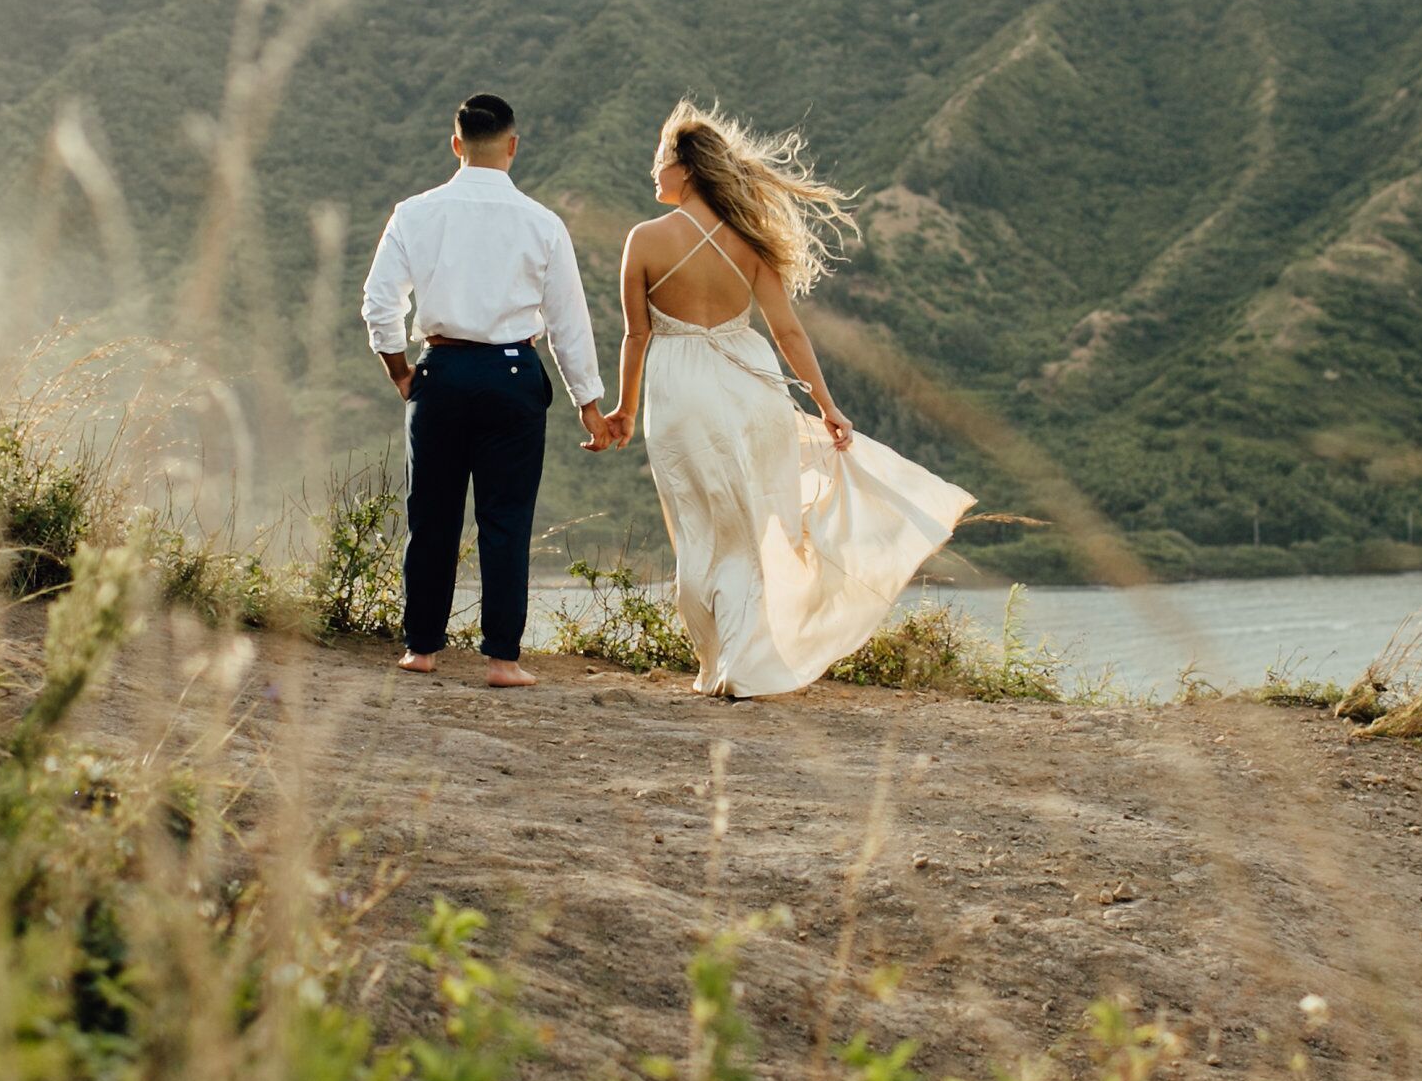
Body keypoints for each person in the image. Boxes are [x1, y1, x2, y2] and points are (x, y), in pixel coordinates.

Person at [609, 101, 971, 698]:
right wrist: (827, 405)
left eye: (662, 159)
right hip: (751, 386)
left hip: (681, 396)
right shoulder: (748, 240)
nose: (654, 170)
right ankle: (742, 665)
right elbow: (787, 332)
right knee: (753, 529)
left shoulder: (644, 240)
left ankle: (718, 663)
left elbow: (635, 335)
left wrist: (624, 408)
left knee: (700, 530)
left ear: (689, 170)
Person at [360, 93, 617, 687]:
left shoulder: (414, 213)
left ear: (456, 144)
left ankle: (421, 648)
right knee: (506, 519)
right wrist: (590, 406)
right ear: (512, 146)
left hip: (440, 373)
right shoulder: (542, 223)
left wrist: (402, 373)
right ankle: (503, 659)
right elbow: (568, 323)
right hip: (511, 377)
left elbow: (379, 304)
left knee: (431, 515)